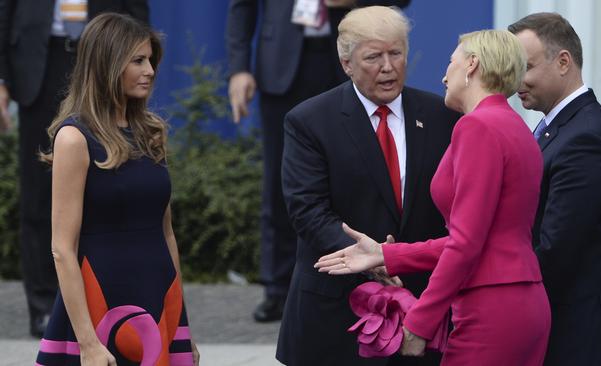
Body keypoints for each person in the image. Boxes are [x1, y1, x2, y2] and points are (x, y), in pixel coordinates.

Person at [316, 29, 552, 365]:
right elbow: (480, 237)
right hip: (521, 300)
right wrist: (386, 253)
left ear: (471, 65)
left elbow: (466, 243)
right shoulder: (514, 125)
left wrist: (421, 321)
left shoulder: (477, 127)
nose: (444, 74)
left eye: (450, 62)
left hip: (490, 307)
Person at [279, 6, 459, 366]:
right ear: (346, 63)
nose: (388, 66)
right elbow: (307, 209)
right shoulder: (310, 121)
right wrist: (372, 257)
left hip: (422, 308)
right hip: (338, 312)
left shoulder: (442, 115)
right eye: (374, 57)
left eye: (396, 54)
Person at [226, 0, 411, 322]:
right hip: (282, 63)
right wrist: (239, 68)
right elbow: (242, 7)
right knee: (279, 183)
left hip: (347, 58)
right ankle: (278, 287)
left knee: (358, 176)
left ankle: (366, 273)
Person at [34, 13, 199, 366]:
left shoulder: (151, 132)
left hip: (158, 296)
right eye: (138, 61)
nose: (150, 70)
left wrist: (182, 328)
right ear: (107, 64)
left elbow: (167, 234)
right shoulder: (74, 138)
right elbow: (62, 248)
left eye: (151, 60)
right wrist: (88, 343)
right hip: (99, 301)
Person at [0, 0, 149, 338]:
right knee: (41, 193)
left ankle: (106, 302)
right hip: (39, 63)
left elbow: (137, 12)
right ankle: (44, 306)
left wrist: (140, 62)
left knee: (110, 188)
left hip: (103, 56)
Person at [508, 13, 601, 366]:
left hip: (577, 340)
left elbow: (554, 251)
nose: (517, 81)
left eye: (525, 67)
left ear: (563, 61)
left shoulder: (585, 138)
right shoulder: (560, 127)